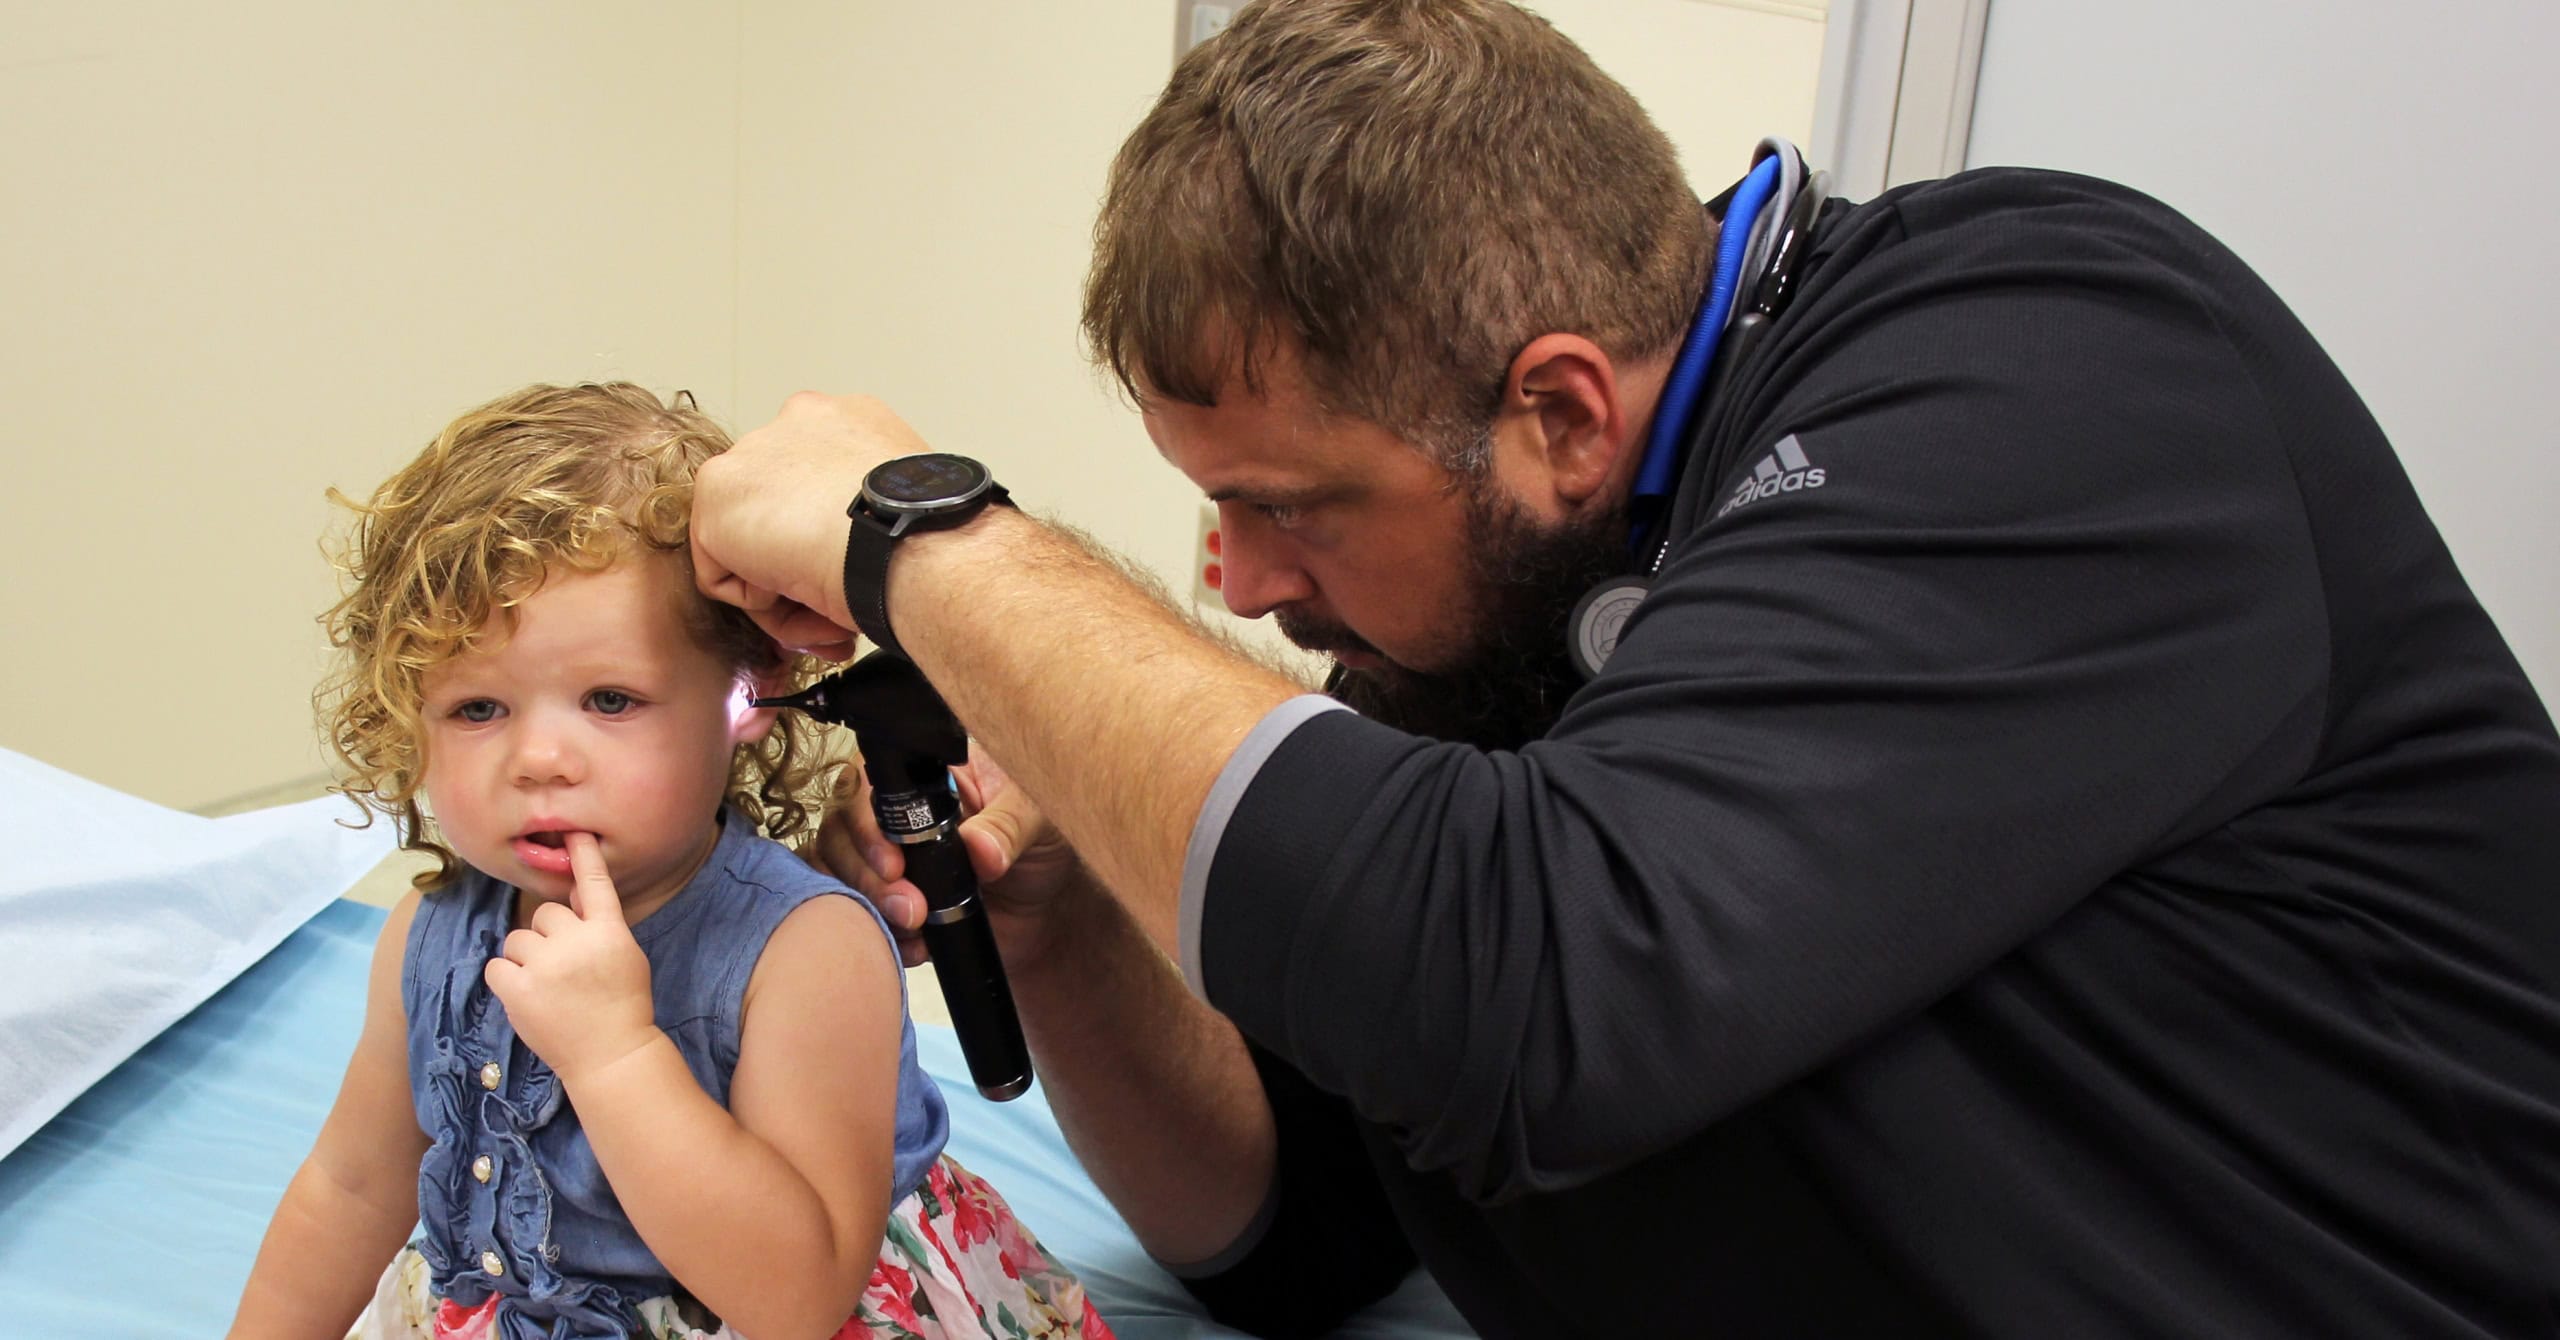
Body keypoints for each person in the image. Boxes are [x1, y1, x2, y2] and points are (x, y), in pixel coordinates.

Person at [689, 1, 2560, 1336]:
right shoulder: (1483, 643)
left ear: (1563, 414)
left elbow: (1535, 985)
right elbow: (1304, 1237)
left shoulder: (2053, 349)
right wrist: (1067, 929)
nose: (1239, 586)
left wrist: (923, 536)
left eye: (1286, 510)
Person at [226, 384, 1112, 1340]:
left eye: (609, 701)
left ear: (750, 694)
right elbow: (351, 1189)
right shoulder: (428, 938)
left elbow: (797, 1297)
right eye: (477, 710)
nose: (539, 761)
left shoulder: (803, 952)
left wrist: (614, 1055)